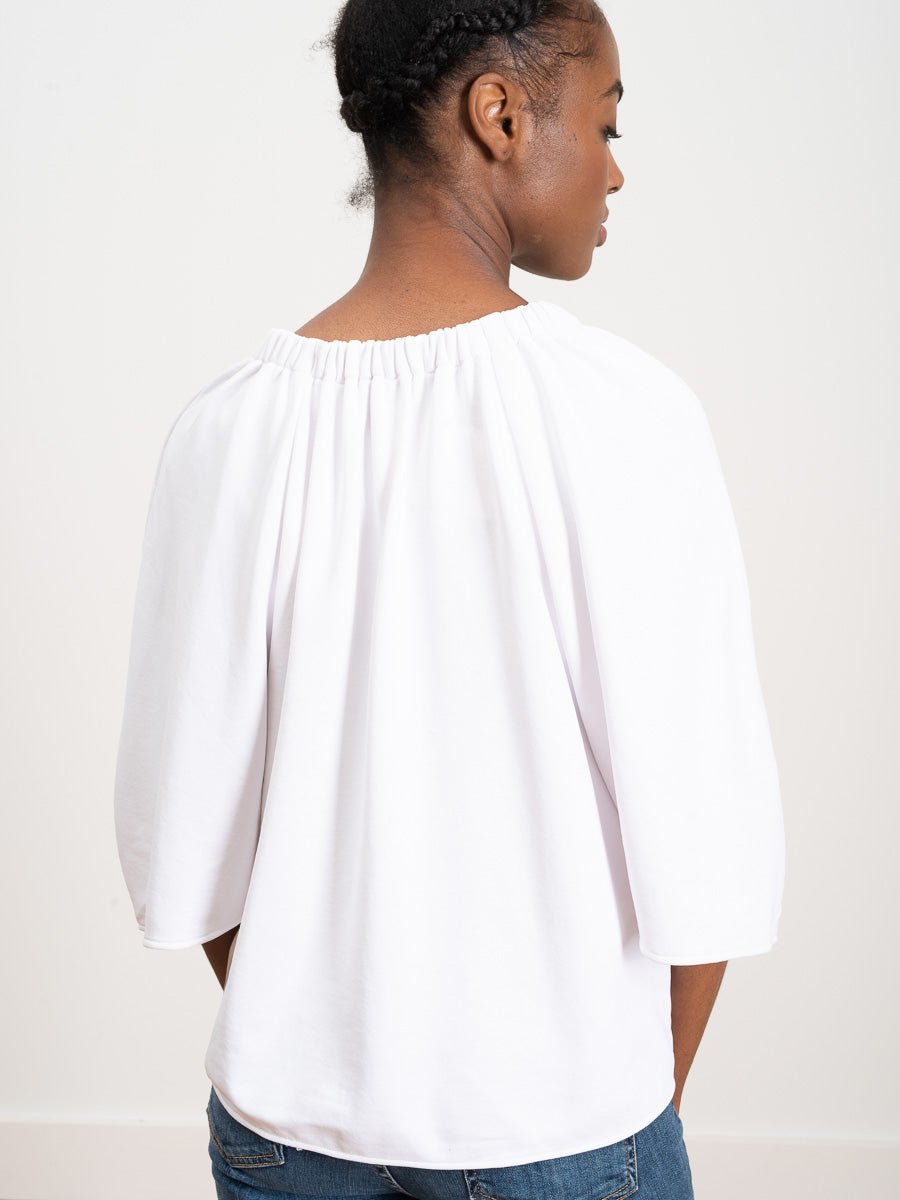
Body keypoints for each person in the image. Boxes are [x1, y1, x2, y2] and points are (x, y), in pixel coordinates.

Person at [113, 1, 785, 1198]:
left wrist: (329, 1058)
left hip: (284, 1130)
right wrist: (628, 1113)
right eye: (608, 123)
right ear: (500, 114)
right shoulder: (621, 414)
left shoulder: (226, 432)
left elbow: (183, 839)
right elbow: (709, 836)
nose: (616, 170)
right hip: (559, 1129)